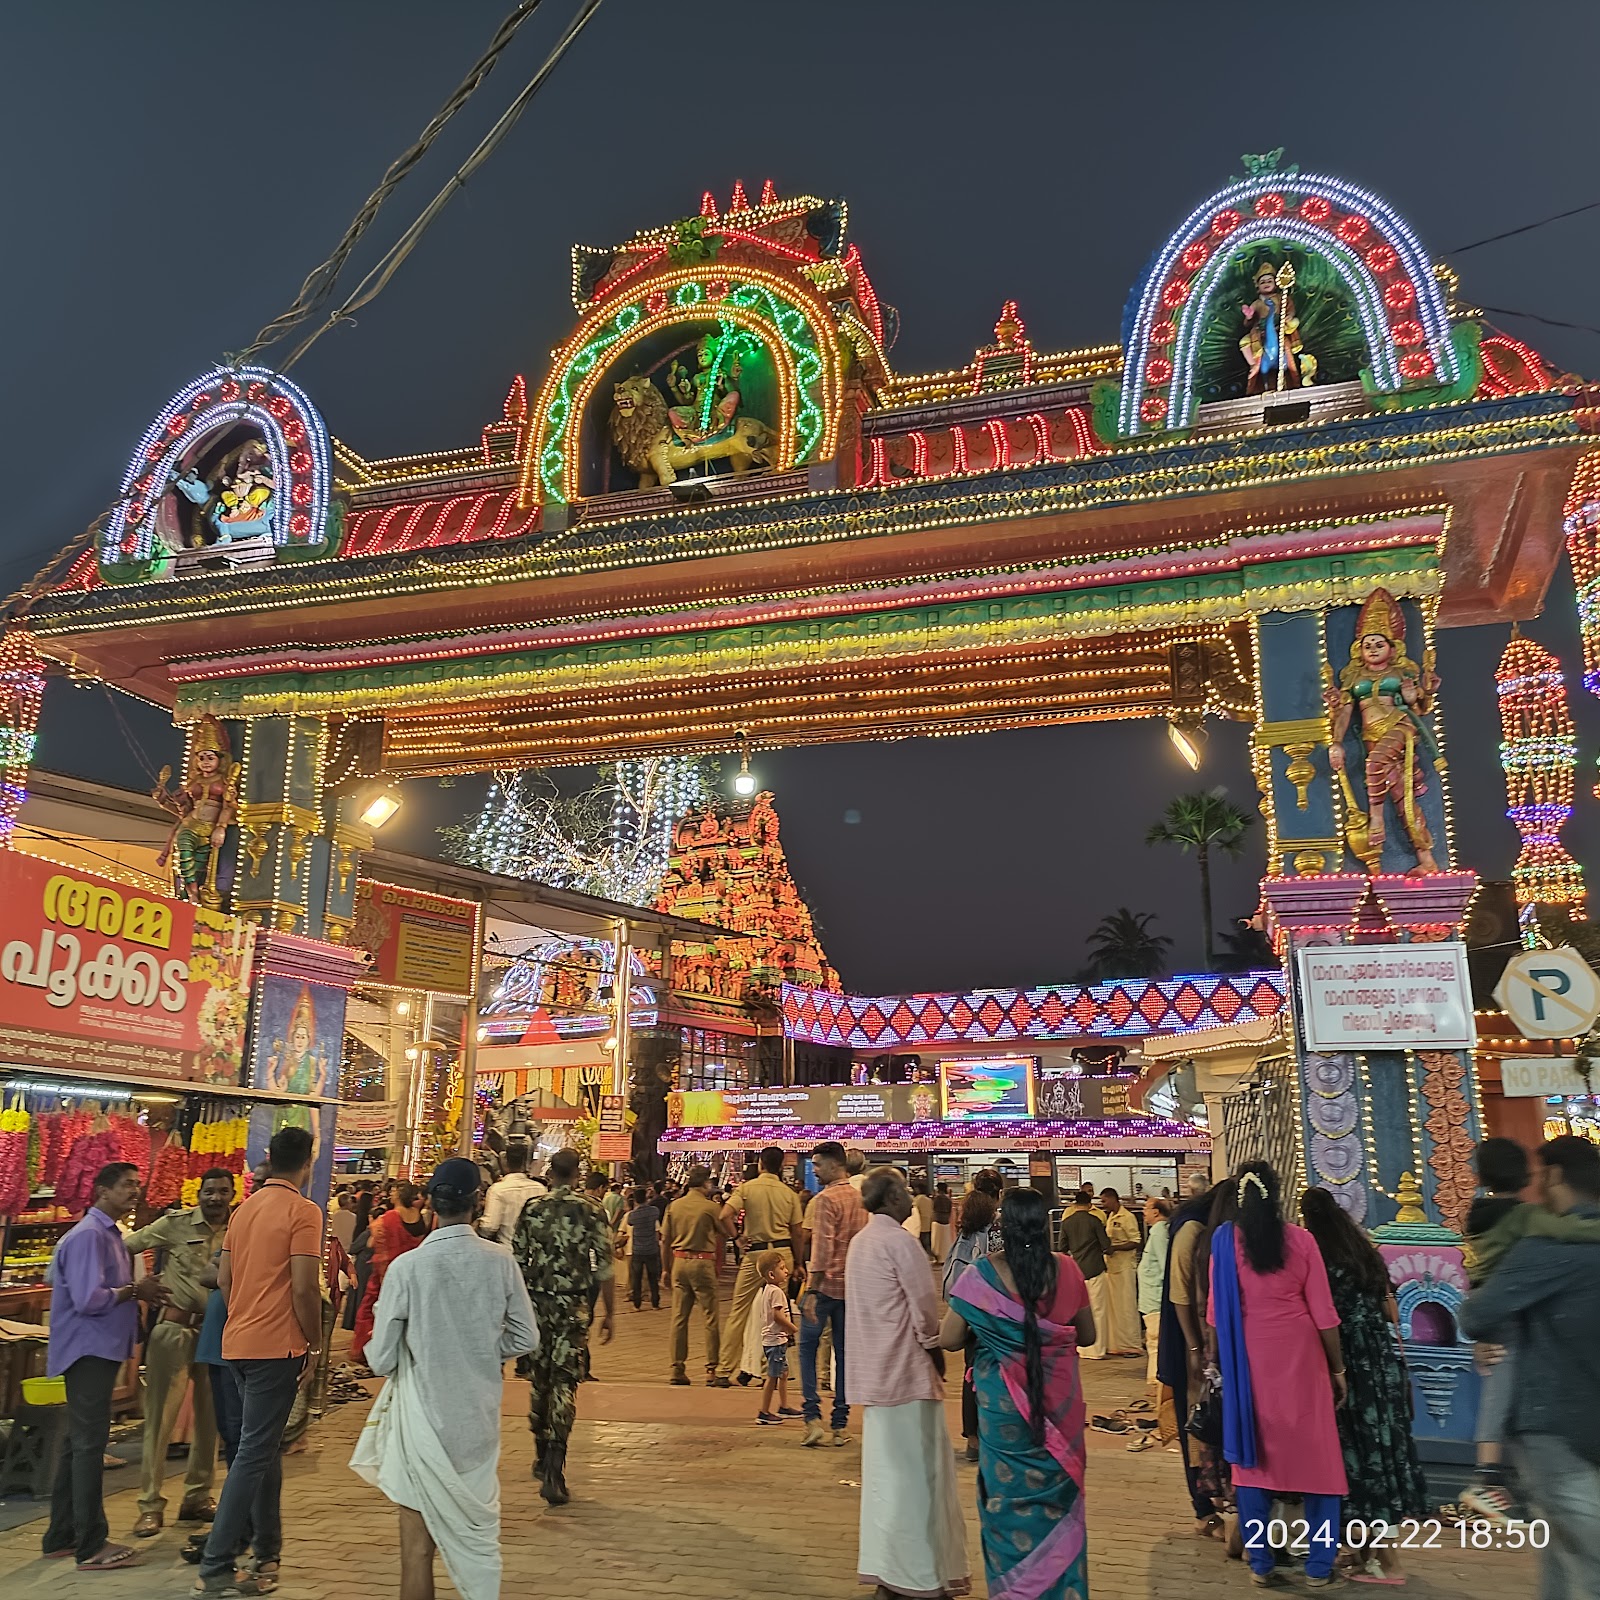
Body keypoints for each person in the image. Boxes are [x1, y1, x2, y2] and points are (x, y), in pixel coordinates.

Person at [356, 1158, 538, 1600]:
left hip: (422, 1425)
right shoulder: (500, 1262)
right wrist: (479, 1350)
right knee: (479, 1549)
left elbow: (379, 1360)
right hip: (475, 1427)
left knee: (416, 1554)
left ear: (432, 1204)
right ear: (477, 1203)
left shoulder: (408, 1268)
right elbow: (525, 1336)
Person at [1462, 1135, 1600, 1600]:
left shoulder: (1542, 1242)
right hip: (1573, 1419)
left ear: (1555, 1176)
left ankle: (1488, 1475)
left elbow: (1477, 1313)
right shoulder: (1542, 1231)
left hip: (1553, 1421)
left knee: (1574, 1551)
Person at [942, 1184, 1093, 1600]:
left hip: (1004, 1411)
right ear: (1045, 1226)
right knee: (1063, 1509)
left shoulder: (981, 1276)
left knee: (1006, 1505)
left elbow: (950, 1339)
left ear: (1002, 1228)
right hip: (1060, 1411)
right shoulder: (1067, 1269)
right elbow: (1088, 1334)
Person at [196, 1126, 324, 1597]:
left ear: (270, 1160)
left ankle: (267, 1550)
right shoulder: (303, 1212)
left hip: (239, 1344)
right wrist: (311, 1343)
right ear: (307, 1163)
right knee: (252, 1455)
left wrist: (247, 1313)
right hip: (277, 1348)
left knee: (261, 1449)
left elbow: (225, 1280)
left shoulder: (244, 1210)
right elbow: (305, 1286)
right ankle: (215, 1565)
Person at [1206, 1161, 1346, 1589]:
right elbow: (1324, 1314)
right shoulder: (1301, 1241)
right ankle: (1320, 1566)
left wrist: (1216, 1363)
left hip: (1248, 1361)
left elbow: (1214, 1315)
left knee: (1254, 1465)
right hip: (1303, 1360)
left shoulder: (1225, 1244)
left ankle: (1261, 1563)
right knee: (1319, 1462)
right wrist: (1337, 1369)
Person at [846, 1167, 970, 1600]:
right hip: (908, 1377)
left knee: (885, 1481)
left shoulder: (861, 1243)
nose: (907, 1196)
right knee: (919, 1480)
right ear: (891, 1198)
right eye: (902, 1189)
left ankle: (888, 1573)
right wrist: (937, 1353)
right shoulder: (900, 1243)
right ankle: (921, 1578)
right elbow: (924, 1314)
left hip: (876, 1379)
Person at [42, 1162, 170, 1571]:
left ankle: (62, 1535)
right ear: (101, 1190)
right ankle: (91, 1546)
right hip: (88, 1351)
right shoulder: (89, 1236)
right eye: (126, 1185)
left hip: (100, 1349)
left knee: (76, 1444)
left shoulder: (111, 1235)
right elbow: (87, 1298)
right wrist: (136, 1290)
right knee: (88, 1446)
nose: (135, 1190)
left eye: (137, 1183)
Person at [1299, 1185, 1427, 1582]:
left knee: (1358, 1459)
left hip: (1348, 1364)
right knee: (1382, 1454)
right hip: (1380, 1361)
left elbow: (1324, 1317)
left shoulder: (1316, 1256)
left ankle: (1388, 1564)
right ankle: (1367, 1554)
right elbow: (1389, 1307)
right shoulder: (1363, 1249)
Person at [126, 1167, 234, 1536]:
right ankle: (149, 1503)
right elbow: (125, 1246)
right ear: (199, 1193)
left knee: (210, 1421)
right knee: (160, 1419)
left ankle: (198, 1496)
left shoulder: (240, 1228)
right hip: (173, 1331)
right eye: (210, 1191)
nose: (216, 1198)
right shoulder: (175, 1224)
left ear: (231, 1195)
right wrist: (133, 1286)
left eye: (222, 1192)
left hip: (216, 1334)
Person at [511, 1148, 615, 1505]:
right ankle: (555, 1464)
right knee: (565, 1383)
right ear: (578, 1173)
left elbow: (517, 1262)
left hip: (536, 1306)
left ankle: (540, 1452)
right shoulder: (592, 1210)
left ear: (550, 1172)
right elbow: (604, 1265)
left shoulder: (532, 1209)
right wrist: (610, 1313)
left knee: (539, 1380)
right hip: (573, 1307)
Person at [1157, 1181, 1234, 1540]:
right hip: (1191, 1342)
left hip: (1208, 1342)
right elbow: (1180, 1294)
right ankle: (1204, 1511)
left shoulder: (1211, 1230)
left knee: (1210, 1422)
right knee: (1197, 1422)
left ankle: (1216, 1502)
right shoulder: (1191, 1230)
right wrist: (1193, 1348)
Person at [715, 1145, 803, 1384]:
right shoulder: (789, 1194)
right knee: (777, 1314)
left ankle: (724, 1370)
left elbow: (724, 1215)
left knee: (739, 1312)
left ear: (761, 1164)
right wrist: (799, 1262)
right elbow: (797, 1231)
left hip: (755, 1254)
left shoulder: (746, 1188)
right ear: (781, 1166)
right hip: (782, 1253)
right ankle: (772, 1372)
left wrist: (737, 1237)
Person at [798, 1140, 867, 1447]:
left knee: (807, 1348)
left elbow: (823, 1248)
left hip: (824, 1287)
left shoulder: (826, 1199)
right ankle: (841, 1423)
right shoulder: (860, 1198)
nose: (814, 1170)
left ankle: (812, 1417)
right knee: (844, 1354)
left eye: (818, 1164)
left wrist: (811, 1288)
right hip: (850, 1288)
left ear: (835, 1165)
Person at [352, 1183, 426, 1365]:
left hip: (387, 1273)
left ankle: (372, 1352)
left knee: (372, 1311)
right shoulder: (419, 1216)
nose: (391, 1195)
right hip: (413, 1273)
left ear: (399, 1195)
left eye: (393, 1192)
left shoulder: (389, 1218)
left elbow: (371, 1243)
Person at [663, 1164, 723, 1384]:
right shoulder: (710, 1207)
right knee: (710, 1317)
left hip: (679, 1261)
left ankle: (677, 1369)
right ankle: (711, 1370)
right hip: (702, 1262)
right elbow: (724, 1232)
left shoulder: (674, 1206)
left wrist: (665, 1268)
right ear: (706, 1183)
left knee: (679, 1317)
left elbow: (665, 1240)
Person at [1129, 1195, 1175, 1454]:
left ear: (1157, 1212)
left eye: (1147, 1208)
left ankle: (1163, 1418)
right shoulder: (1161, 1231)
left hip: (1156, 1303)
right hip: (1153, 1303)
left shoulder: (1159, 1233)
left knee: (1158, 1354)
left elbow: (1164, 1267)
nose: (1144, 1212)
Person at [1057, 1188, 1111, 1360]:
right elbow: (1106, 1246)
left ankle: (1082, 1349)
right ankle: (1097, 1350)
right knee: (1099, 1310)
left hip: (1077, 1271)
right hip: (1095, 1268)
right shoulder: (1095, 1221)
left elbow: (1061, 1248)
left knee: (1081, 1309)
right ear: (1089, 1205)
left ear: (1074, 1205)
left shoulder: (1067, 1222)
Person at [753, 1249, 800, 1426]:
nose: (786, 1270)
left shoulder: (767, 1290)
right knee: (772, 1376)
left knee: (783, 1372)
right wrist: (792, 1328)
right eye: (782, 1268)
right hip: (775, 1340)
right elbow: (778, 1316)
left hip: (774, 1340)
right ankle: (764, 1411)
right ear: (771, 1274)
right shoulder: (776, 1292)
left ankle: (784, 1406)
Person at [1099, 1187, 1143, 1356]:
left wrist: (1115, 1248)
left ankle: (1132, 1344)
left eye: (1104, 1201)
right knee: (1115, 1308)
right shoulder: (1110, 1217)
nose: (1103, 1204)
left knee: (1127, 1307)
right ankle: (1117, 1344)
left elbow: (1135, 1241)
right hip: (1112, 1267)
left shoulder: (1127, 1217)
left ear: (1113, 1199)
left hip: (1125, 1267)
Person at [477, 1142, 546, 1246]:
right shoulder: (541, 1189)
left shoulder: (497, 1190)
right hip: (533, 1255)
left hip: (507, 1252)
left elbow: (489, 1227)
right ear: (525, 1163)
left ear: (504, 1162)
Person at [620, 1186, 662, 1310]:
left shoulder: (632, 1215)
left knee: (636, 1278)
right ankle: (655, 1303)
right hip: (651, 1249)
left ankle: (637, 1304)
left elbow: (630, 1223)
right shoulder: (654, 1211)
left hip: (637, 1250)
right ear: (646, 1198)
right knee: (652, 1278)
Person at [910, 1178, 935, 1257]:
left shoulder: (918, 1199)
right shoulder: (929, 1199)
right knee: (928, 1242)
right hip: (929, 1223)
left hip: (921, 1223)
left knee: (922, 1243)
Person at [930, 1183, 954, 1265]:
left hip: (937, 1221)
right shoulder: (948, 1199)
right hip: (946, 1221)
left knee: (936, 1242)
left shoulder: (937, 1198)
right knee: (945, 1242)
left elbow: (933, 1208)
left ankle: (938, 1258)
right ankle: (944, 1259)